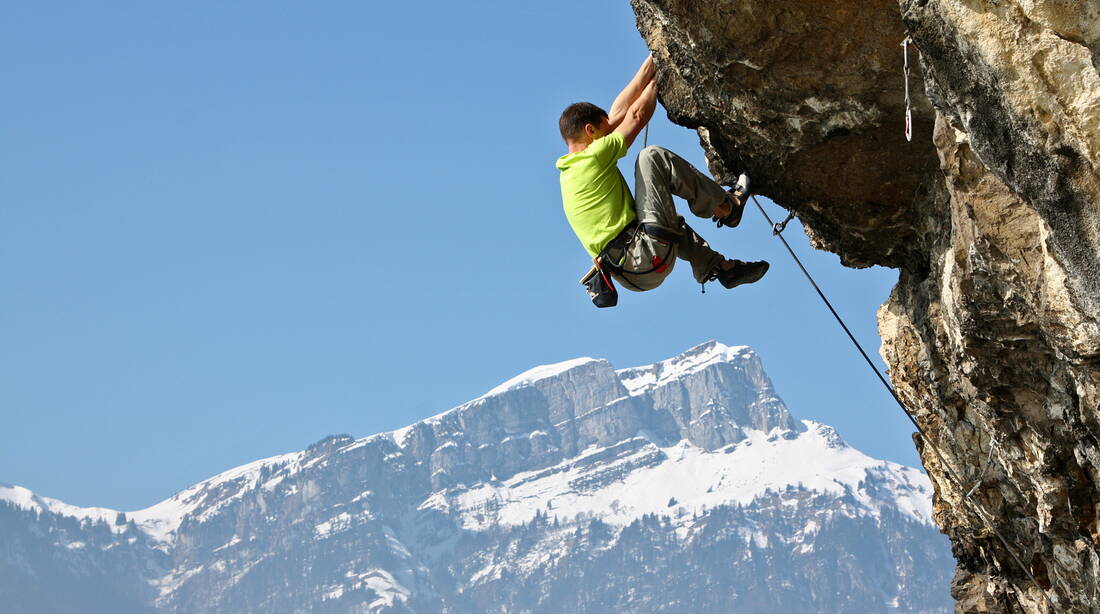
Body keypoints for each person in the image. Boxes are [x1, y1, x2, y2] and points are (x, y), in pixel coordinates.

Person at [556, 54, 768, 298]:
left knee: (663, 213)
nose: (611, 129)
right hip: (646, 257)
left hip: (633, 271)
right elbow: (635, 116)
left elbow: (617, 114)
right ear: (590, 131)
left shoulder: (570, 171)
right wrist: (661, 77)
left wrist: (654, 59)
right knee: (651, 157)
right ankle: (726, 207)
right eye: (604, 130)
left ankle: (722, 269)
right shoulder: (592, 158)